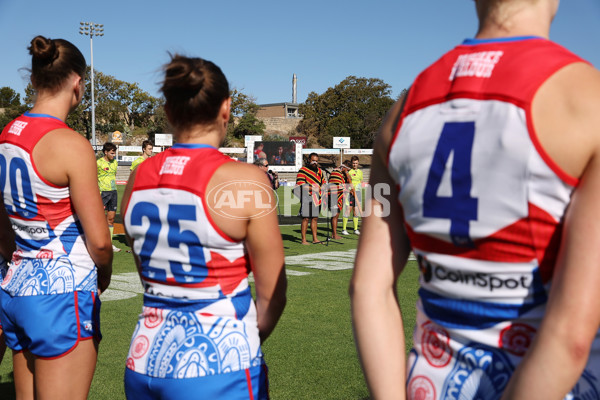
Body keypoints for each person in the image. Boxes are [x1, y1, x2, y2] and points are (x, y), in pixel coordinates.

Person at [350, 1, 600, 399]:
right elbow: (571, 332)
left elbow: (368, 288)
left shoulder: (402, 110)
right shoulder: (585, 97)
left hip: (430, 383)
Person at [121, 54, 286, 400]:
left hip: (144, 356)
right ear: (226, 108)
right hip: (216, 363)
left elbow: (148, 274)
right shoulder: (246, 179)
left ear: (167, 111)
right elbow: (272, 295)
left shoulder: (139, 176)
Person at [0, 35, 112, 399]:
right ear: (78, 84)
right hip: (62, 290)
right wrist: (104, 273)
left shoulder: (8, 133)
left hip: (17, 286)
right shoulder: (69, 144)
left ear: (32, 80)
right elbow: (99, 241)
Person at [295, 152, 325, 245]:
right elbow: (301, 185)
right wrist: (313, 188)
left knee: (315, 218)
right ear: (308, 160)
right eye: (313, 160)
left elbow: (323, 182)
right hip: (307, 196)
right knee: (306, 218)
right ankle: (303, 240)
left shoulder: (320, 171)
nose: (314, 162)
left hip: (317, 198)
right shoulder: (303, 170)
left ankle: (315, 239)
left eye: (316, 161)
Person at [97, 142, 122, 252]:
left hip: (113, 192)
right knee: (99, 219)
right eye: (111, 153)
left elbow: (114, 175)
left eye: (114, 153)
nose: (113, 155)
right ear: (105, 152)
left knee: (111, 219)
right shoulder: (98, 163)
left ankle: (109, 244)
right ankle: (97, 242)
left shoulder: (115, 163)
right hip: (102, 193)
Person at [326, 163, 349, 241]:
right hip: (333, 197)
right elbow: (335, 186)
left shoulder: (340, 173)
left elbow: (349, 181)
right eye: (347, 170)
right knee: (335, 215)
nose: (347, 172)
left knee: (336, 215)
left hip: (337, 197)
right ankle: (334, 234)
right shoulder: (336, 172)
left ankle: (334, 233)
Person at [342, 156, 362, 235]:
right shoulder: (349, 172)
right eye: (353, 163)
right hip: (350, 193)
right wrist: (348, 190)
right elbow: (345, 182)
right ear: (351, 163)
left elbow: (360, 181)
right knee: (348, 210)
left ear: (358, 163)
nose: (355, 164)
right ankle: (344, 229)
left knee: (356, 211)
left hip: (358, 193)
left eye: (356, 163)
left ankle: (355, 229)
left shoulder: (360, 172)